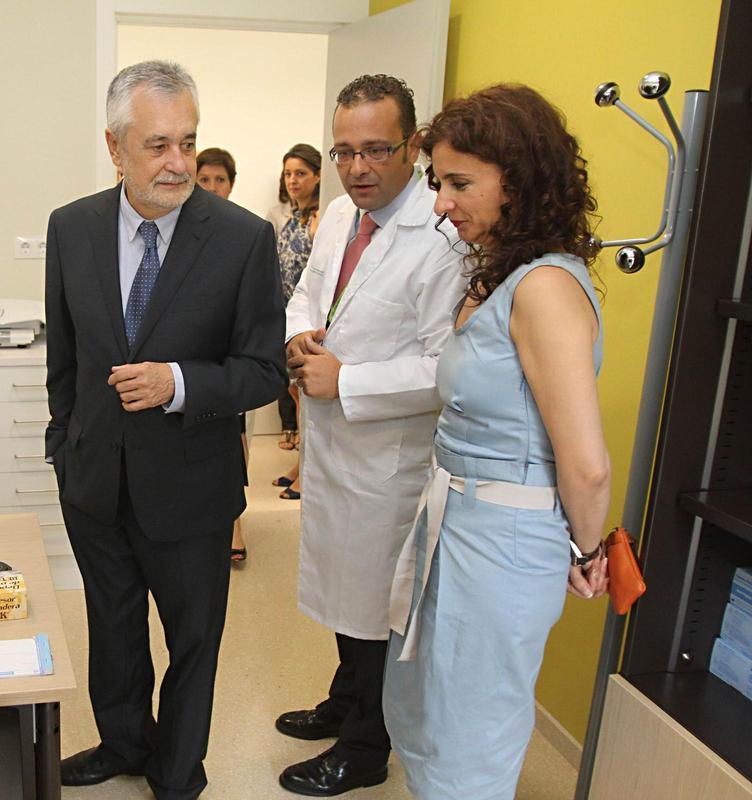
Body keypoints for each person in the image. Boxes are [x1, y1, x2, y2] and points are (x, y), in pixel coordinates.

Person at [44, 61, 286, 800]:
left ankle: (178, 773)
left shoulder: (243, 239)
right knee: (112, 631)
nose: (178, 162)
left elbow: (263, 371)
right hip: (95, 482)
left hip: (190, 486)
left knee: (192, 644)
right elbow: (66, 358)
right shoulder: (72, 227)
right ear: (115, 149)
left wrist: (177, 383)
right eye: (157, 145)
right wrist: (65, 447)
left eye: (187, 141)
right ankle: (123, 742)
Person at [383, 84, 610, 800]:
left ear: (521, 180)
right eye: (437, 182)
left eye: (460, 183)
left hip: (503, 539)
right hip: (456, 520)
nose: (442, 203)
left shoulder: (544, 288)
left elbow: (587, 464)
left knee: (470, 735)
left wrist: (584, 547)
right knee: (427, 711)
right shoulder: (497, 273)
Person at [275, 75, 464, 797]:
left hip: (391, 461)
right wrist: (300, 343)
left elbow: (445, 366)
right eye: (344, 151)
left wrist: (345, 379)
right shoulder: (337, 218)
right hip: (333, 447)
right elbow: (307, 296)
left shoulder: (441, 238)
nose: (357, 167)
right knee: (341, 594)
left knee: (376, 609)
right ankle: (346, 699)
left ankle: (365, 745)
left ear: (413, 148)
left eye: (376, 150)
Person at [193, 146, 253, 563]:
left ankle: (234, 518)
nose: (213, 187)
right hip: (199, 358)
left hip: (236, 358)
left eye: (220, 180)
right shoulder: (188, 232)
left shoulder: (244, 234)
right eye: (205, 179)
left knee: (235, 431)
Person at [274, 144, 323, 503]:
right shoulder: (292, 216)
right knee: (293, 392)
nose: (293, 180)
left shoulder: (322, 218)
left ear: (318, 176)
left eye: (301, 173)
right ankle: (298, 465)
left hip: (309, 323)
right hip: (285, 317)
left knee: (306, 395)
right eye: (288, 173)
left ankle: (307, 471)